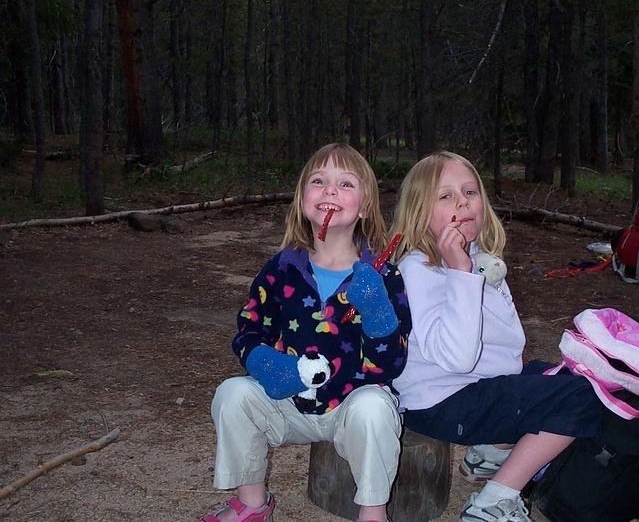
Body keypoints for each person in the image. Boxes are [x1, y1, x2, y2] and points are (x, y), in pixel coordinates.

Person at [201, 143, 411, 522]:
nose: (330, 190)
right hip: (288, 406)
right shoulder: (281, 268)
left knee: (376, 409)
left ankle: (373, 512)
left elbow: (391, 364)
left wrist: (378, 311)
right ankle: (252, 504)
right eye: (319, 181)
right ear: (302, 200)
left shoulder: (383, 276)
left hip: (351, 406)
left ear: (363, 207)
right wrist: (266, 365)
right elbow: (248, 331)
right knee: (232, 394)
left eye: (345, 184)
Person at [390, 151, 603, 522]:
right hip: (440, 402)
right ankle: (495, 500)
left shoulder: (475, 258)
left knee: (567, 377)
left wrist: (472, 272)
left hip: (474, 385)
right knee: (583, 398)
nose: (463, 202)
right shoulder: (418, 269)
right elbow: (457, 359)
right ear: (419, 213)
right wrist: (461, 275)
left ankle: (489, 453)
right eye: (446, 196)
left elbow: (509, 348)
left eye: (470, 192)